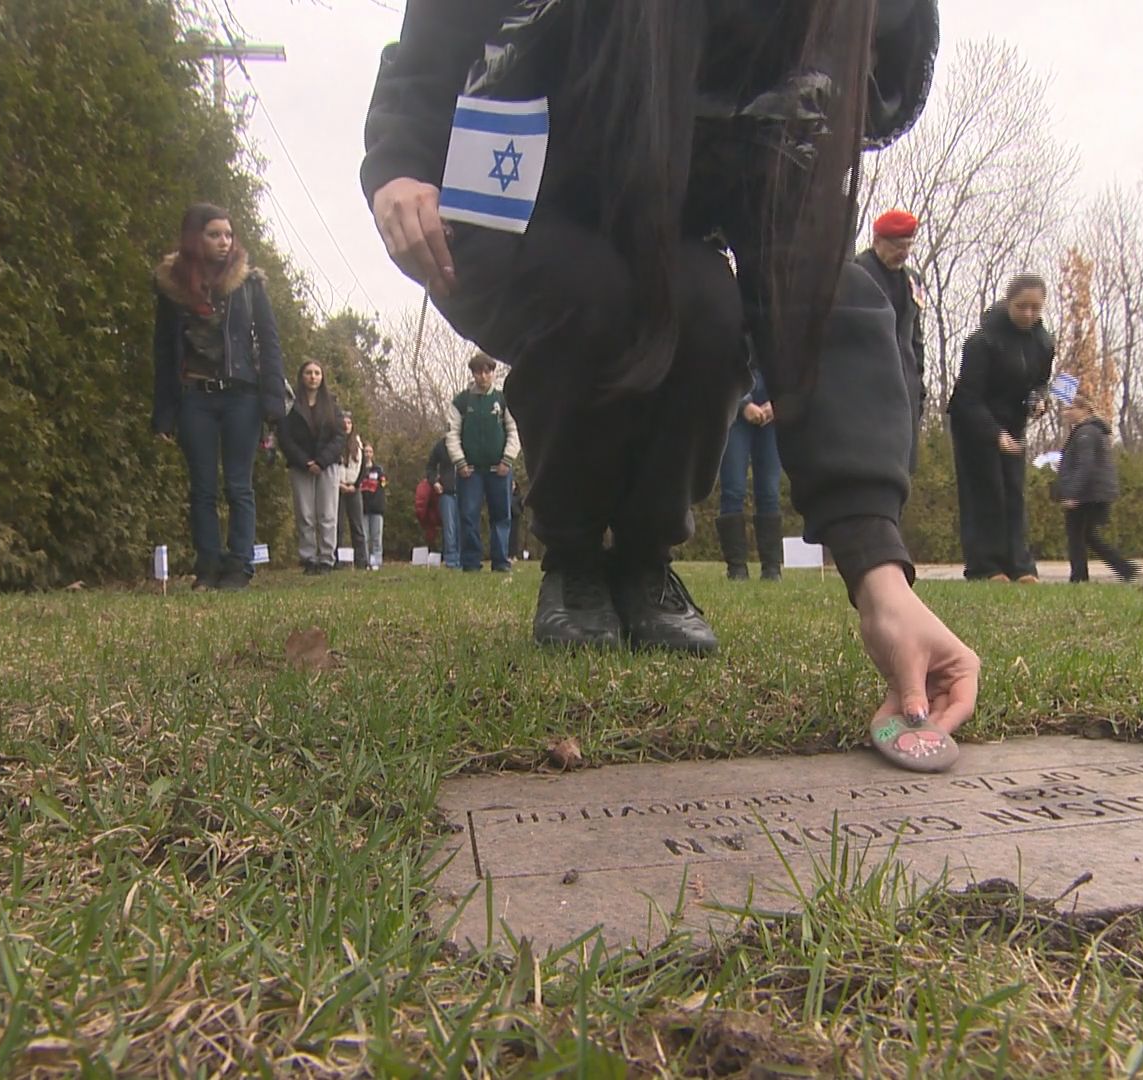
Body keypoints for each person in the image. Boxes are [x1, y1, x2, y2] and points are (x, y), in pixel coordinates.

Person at [364, 0, 977, 773]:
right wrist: (399, 158)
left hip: (666, 218)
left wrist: (879, 576)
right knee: (594, 296)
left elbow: (808, 293)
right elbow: (445, 28)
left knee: (706, 309)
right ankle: (576, 555)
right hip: (520, 187)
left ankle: (645, 558)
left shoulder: (806, 35)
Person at [151, 203, 290, 591]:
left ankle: (240, 566)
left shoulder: (249, 283)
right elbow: (163, 349)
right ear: (196, 238)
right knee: (202, 487)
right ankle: (208, 567)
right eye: (214, 234)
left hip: (241, 397)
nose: (224, 242)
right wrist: (164, 413)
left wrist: (273, 401)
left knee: (238, 484)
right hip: (195, 396)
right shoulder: (172, 287)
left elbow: (269, 340)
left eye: (228, 234)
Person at [949, 274, 1055, 583]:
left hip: (1013, 422)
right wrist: (994, 435)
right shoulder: (982, 342)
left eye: (1035, 308)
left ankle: (1020, 566)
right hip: (975, 423)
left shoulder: (1044, 343)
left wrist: (1038, 400)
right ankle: (985, 566)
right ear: (1008, 303)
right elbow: (968, 397)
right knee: (986, 492)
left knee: (1014, 492)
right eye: (1021, 306)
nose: (1028, 314)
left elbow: (1041, 382)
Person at [856, 208, 927, 467]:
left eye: (909, 245)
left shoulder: (913, 280)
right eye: (898, 245)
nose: (904, 253)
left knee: (901, 468)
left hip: (904, 385)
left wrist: (918, 385)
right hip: (867, 388)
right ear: (877, 242)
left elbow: (915, 335)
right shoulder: (856, 272)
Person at [446, 353, 518, 574]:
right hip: (470, 472)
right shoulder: (461, 401)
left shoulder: (504, 399)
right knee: (468, 515)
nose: (483, 376)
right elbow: (452, 434)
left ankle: (501, 562)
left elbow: (514, 430)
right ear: (473, 374)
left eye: (487, 371)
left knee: (501, 516)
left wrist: (508, 459)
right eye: (479, 372)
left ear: (493, 373)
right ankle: (470, 563)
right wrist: (460, 462)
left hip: (500, 470)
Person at [1056, 391, 1137, 584]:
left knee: (1078, 536)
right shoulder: (1089, 431)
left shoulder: (1086, 433)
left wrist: (1073, 493)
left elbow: (1085, 464)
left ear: (1083, 409)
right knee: (1086, 536)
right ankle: (1124, 569)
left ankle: (1081, 577)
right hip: (1093, 492)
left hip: (1088, 494)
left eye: (1070, 408)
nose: (1065, 413)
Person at [716, 353, 783, 581]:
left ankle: (772, 568)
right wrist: (743, 403)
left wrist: (778, 402)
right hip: (736, 391)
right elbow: (719, 354)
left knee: (770, 491)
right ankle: (736, 569)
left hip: (772, 394)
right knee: (733, 488)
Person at [278, 361, 345, 574]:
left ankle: (326, 558)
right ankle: (308, 558)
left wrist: (322, 461)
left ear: (322, 377)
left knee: (327, 514)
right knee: (305, 514)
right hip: (301, 465)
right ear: (302, 376)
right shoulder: (292, 404)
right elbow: (285, 437)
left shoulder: (332, 405)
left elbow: (340, 436)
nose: (313, 377)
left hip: (328, 465)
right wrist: (305, 461)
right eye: (308, 373)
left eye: (317, 373)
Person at [336, 413, 367, 568]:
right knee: (338, 526)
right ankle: (336, 561)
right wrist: (339, 484)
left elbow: (363, 469)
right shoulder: (335, 443)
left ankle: (362, 561)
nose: (347, 425)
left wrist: (355, 486)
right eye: (344, 422)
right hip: (338, 488)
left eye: (349, 422)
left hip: (354, 489)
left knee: (357, 526)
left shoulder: (358, 444)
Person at [426, 436, 461, 568]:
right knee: (449, 528)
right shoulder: (441, 445)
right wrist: (434, 481)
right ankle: (451, 560)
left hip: (466, 492)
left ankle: (464, 558)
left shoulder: (467, 442)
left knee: (464, 526)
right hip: (447, 493)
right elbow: (430, 467)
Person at [359, 443, 388, 570]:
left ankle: (376, 562)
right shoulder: (359, 470)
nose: (368, 454)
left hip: (377, 509)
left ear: (373, 453)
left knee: (376, 538)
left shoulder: (379, 470)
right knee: (364, 537)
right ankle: (365, 562)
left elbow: (383, 485)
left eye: (370, 452)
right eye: (365, 452)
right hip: (363, 509)